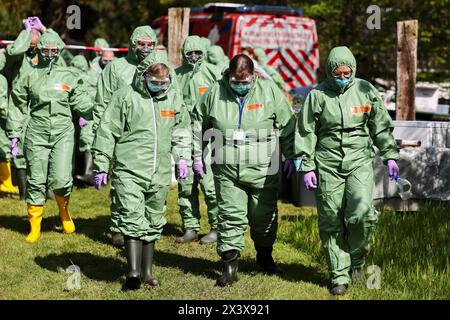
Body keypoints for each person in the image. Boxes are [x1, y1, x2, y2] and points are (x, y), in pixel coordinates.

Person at [295, 46, 400, 295]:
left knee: (362, 214)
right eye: (338, 73)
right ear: (330, 72)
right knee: (331, 220)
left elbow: (380, 125)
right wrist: (306, 166)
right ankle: (338, 275)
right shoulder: (317, 95)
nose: (343, 77)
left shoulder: (365, 90)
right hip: (327, 163)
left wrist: (390, 155)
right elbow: (305, 131)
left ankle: (357, 261)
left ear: (354, 70)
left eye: (347, 73)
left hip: (359, 162)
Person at [192, 54, 298, 286]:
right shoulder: (215, 92)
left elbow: (288, 124)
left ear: (254, 76)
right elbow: (198, 123)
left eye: (245, 81)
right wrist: (196, 153)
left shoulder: (268, 92)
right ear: (228, 76)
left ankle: (264, 256)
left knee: (263, 215)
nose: (240, 85)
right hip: (227, 167)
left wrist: (292, 154)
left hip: (263, 167)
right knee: (230, 215)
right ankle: (230, 266)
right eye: (235, 81)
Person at [92, 50, 192, 290]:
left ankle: (147, 272)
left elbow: (181, 130)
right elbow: (107, 130)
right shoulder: (126, 97)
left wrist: (183, 158)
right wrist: (101, 162)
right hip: (130, 168)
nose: (159, 85)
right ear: (143, 76)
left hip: (158, 170)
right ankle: (133, 272)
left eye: (164, 81)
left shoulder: (173, 98)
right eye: (154, 81)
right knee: (131, 216)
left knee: (153, 219)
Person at [7, 29, 93, 243]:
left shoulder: (68, 75)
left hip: (63, 131)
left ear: (59, 50)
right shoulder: (28, 75)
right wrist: (15, 133)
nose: (50, 54)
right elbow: (17, 105)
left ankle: (64, 213)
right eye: (46, 49)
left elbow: (80, 100)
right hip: (37, 131)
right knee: (36, 179)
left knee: (62, 178)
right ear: (39, 49)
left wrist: (91, 112)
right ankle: (34, 226)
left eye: (54, 50)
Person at [92, 25, 157, 247]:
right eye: (142, 44)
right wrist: (101, 135)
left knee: (150, 183)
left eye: (150, 45)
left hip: (149, 134)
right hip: (120, 133)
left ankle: (146, 225)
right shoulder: (117, 68)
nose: (146, 48)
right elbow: (101, 103)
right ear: (132, 44)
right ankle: (119, 227)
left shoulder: (159, 67)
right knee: (122, 182)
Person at [175, 35, 222, 244]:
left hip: (208, 134)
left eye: (198, 53)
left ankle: (217, 227)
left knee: (209, 183)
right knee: (186, 183)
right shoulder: (176, 76)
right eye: (189, 53)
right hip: (184, 134)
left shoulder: (213, 73)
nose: (193, 57)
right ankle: (190, 226)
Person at [1, 17, 47, 198]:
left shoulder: (46, 56)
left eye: (36, 45)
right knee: (19, 150)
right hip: (20, 105)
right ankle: (24, 192)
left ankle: (48, 191)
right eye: (31, 45)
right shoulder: (17, 57)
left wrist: (44, 29)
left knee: (43, 148)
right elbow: (13, 50)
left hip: (40, 104)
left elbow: (57, 45)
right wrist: (25, 33)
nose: (33, 48)